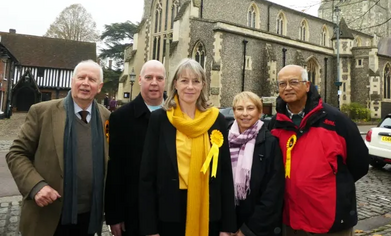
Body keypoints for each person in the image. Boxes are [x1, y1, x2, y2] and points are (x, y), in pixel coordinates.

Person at [6, 60, 110, 236]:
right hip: (49, 214)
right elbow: (17, 154)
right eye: (81, 77)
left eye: (91, 79)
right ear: (72, 81)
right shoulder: (42, 112)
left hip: (88, 216)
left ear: (99, 87)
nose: (85, 83)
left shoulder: (105, 116)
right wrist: (36, 186)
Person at [267, 65, 369, 236]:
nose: (288, 88)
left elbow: (360, 164)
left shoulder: (336, 120)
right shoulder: (275, 123)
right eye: (282, 84)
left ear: (307, 85)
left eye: (294, 82)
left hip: (329, 221)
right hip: (289, 219)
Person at [139, 58, 236, 236]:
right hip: (169, 213)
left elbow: (225, 174)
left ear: (203, 85)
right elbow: (147, 176)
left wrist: (227, 226)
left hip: (208, 211)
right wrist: (149, 228)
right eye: (184, 81)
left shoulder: (216, 120)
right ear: (175, 84)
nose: (190, 86)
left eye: (196, 81)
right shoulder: (160, 119)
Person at [105, 60, 166, 236]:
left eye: (159, 78)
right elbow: (115, 169)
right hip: (133, 210)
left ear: (166, 81)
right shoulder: (121, 118)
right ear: (140, 80)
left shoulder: (176, 115)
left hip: (169, 209)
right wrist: (114, 215)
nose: (154, 82)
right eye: (149, 77)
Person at [229, 91, 284, 236]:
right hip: (228, 224)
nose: (245, 113)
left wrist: (248, 230)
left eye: (250, 108)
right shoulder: (223, 140)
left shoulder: (270, 142)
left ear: (260, 112)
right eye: (240, 109)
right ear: (234, 112)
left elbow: (273, 191)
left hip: (257, 227)